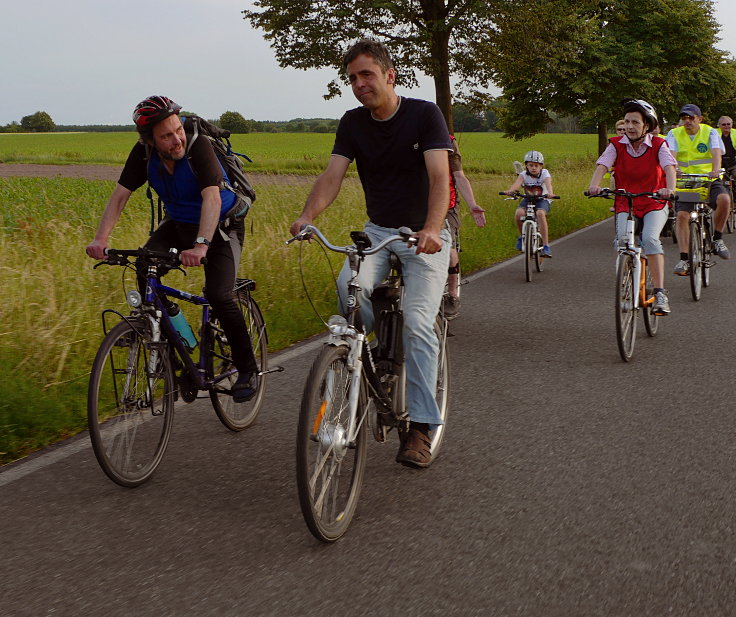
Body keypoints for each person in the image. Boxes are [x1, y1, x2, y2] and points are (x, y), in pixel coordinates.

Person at [289, 39, 452, 469]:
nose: (359, 84)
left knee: (418, 322)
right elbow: (332, 176)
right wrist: (307, 216)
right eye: (352, 78)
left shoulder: (424, 115)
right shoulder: (353, 123)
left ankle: (420, 426)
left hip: (424, 234)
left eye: (366, 75)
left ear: (389, 75)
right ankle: (372, 352)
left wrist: (433, 229)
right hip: (379, 230)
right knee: (349, 287)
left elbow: (439, 178)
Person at [85, 95, 259, 402]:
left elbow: (213, 199)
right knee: (144, 267)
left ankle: (247, 369)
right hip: (178, 224)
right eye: (166, 135)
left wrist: (202, 245)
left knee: (219, 295)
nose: (177, 138)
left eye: (178, 129)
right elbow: (120, 196)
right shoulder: (143, 155)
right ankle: (174, 342)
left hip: (220, 228)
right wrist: (101, 239)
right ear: (149, 140)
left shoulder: (198, 147)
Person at [588, 99, 676, 315]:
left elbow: (669, 167)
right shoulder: (616, 144)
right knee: (621, 241)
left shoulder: (658, 144)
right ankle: (628, 279)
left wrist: (669, 189)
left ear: (646, 125)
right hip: (626, 202)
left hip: (653, 201)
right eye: (627, 121)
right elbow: (602, 165)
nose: (629, 126)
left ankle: (660, 293)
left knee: (649, 239)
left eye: (635, 122)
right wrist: (594, 185)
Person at [666, 103, 731, 274]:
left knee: (725, 200)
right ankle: (684, 259)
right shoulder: (673, 134)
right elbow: (671, 156)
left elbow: (716, 153)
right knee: (681, 216)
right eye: (684, 118)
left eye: (691, 118)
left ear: (699, 119)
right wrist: (674, 168)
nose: (687, 121)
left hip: (708, 179)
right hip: (685, 182)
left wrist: (715, 170)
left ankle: (717, 238)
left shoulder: (710, 132)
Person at [443, 135, 486, 320]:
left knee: (450, 251)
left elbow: (459, 176)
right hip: (414, 205)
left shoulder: (446, 141)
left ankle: (452, 295)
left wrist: (472, 205)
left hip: (446, 204)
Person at [504, 150, 555, 257]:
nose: (533, 168)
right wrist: (511, 191)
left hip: (542, 199)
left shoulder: (545, 173)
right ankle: (522, 237)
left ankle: (546, 246)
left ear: (541, 166)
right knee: (519, 214)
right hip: (528, 198)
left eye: (536, 165)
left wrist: (550, 193)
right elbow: (517, 184)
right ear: (526, 166)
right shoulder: (523, 174)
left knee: (540, 214)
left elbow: (548, 183)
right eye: (531, 165)